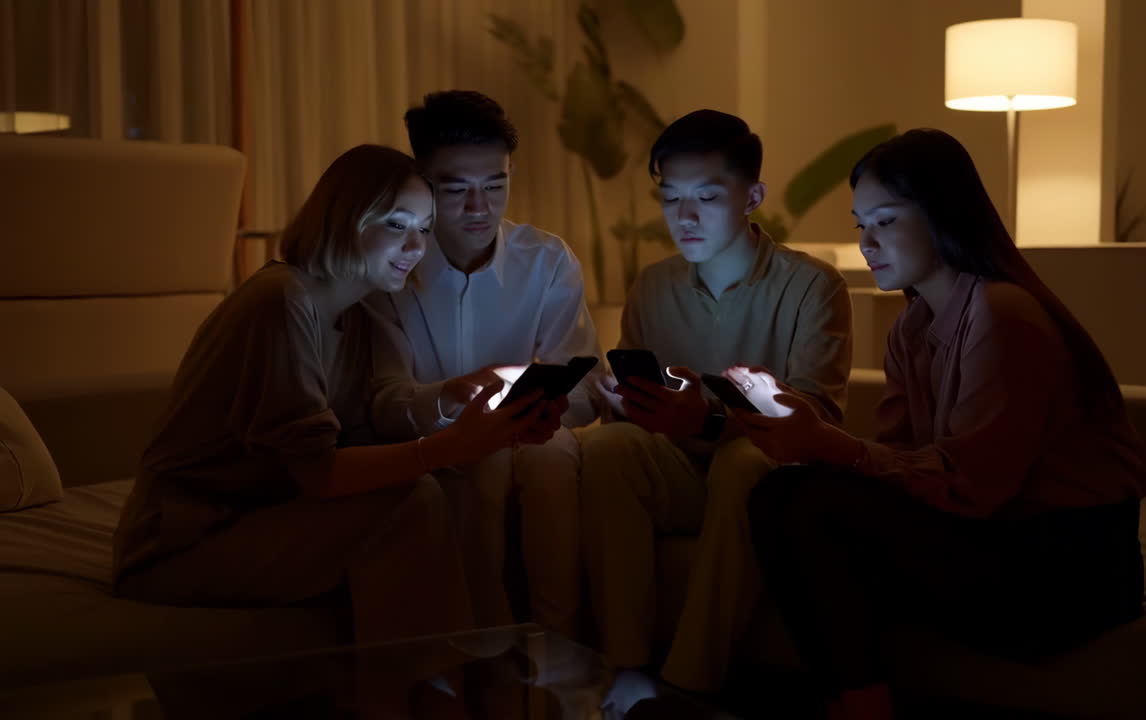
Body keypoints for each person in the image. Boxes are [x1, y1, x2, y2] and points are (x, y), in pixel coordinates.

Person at [112, 144, 548, 717]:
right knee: (414, 499)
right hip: (185, 540)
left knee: (437, 489)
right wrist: (448, 445)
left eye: (422, 228)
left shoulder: (361, 313)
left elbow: (371, 430)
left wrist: (457, 404)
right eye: (397, 226)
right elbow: (319, 471)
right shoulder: (279, 302)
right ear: (345, 219)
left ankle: (449, 693)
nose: (417, 248)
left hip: (271, 515)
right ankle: (436, 702)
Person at [736, 128, 1146, 720]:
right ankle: (857, 698)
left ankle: (861, 705)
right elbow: (902, 459)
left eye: (884, 221)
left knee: (805, 503)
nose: (868, 243)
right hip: (991, 533)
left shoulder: (1004, 316)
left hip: (1064, 566)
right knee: (785, 494)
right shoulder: (912, 325)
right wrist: (808, 441)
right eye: (860, 226)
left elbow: (972, 486)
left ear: (941, 214)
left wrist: (833, 448)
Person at [578, 109, 854, 712]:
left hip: (769, 476)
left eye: (707, 196)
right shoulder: (653, 286)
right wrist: (621, 405)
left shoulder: (813, 286)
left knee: (743, 463)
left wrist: (706, 420)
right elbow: (638, 417)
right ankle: (625, 667)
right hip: (679, 471)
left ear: (752, 196)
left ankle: (691, 681)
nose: (685, 216)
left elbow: (817, 420)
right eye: (671, 198)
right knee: (605, 447)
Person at [364, 90, 602, 640]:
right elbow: (383, 401)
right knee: (483, 462)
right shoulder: (395, 268)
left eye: (495, 186)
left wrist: (544, 405)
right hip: (438, 443)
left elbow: (584, 383)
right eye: (456, 190)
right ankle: (484, 653)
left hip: (536, 435)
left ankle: (559, 651)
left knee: (552, 456)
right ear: (422, 183)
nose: (480, 208)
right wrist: (453, 400)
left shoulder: (545, 260)